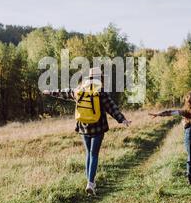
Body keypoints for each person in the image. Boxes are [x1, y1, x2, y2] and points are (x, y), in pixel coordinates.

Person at [43, 67, 131, 195]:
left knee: (88, 154)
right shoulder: (100, 92)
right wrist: (122, 120)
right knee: (94, 154)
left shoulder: (79, 90)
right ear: (100, 78)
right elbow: (112, 107)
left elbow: (64, 92)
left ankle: (89, 181)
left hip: (83, 127)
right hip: (98, 127)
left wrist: (49, 92)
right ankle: (90, 183)